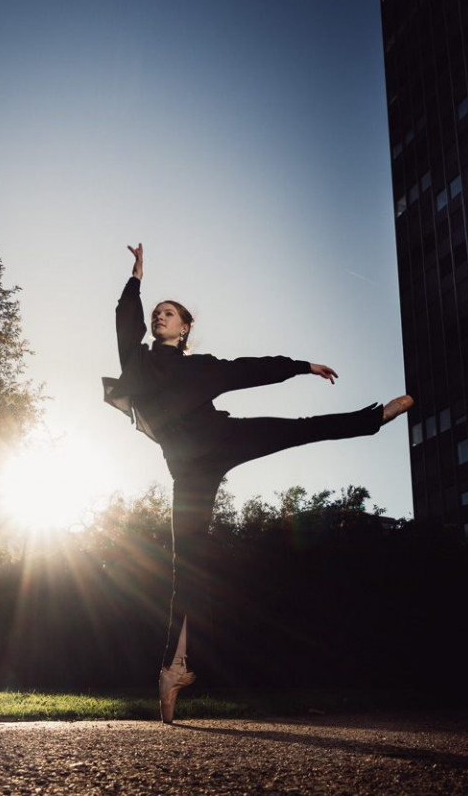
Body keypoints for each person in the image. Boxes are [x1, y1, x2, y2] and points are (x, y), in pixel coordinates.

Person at [102, 243, 413, 724]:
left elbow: (250, 368)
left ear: (185, 328)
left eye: (170, 313)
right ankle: (176, 668)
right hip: (188, 469)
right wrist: (137, 278)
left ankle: (373, 419)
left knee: (296, 428)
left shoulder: (200, 367)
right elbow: (125, 318)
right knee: (189, 566)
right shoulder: (138, 363)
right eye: (158, 313)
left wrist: (301, 366)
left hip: (224, 437)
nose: (160, 317)